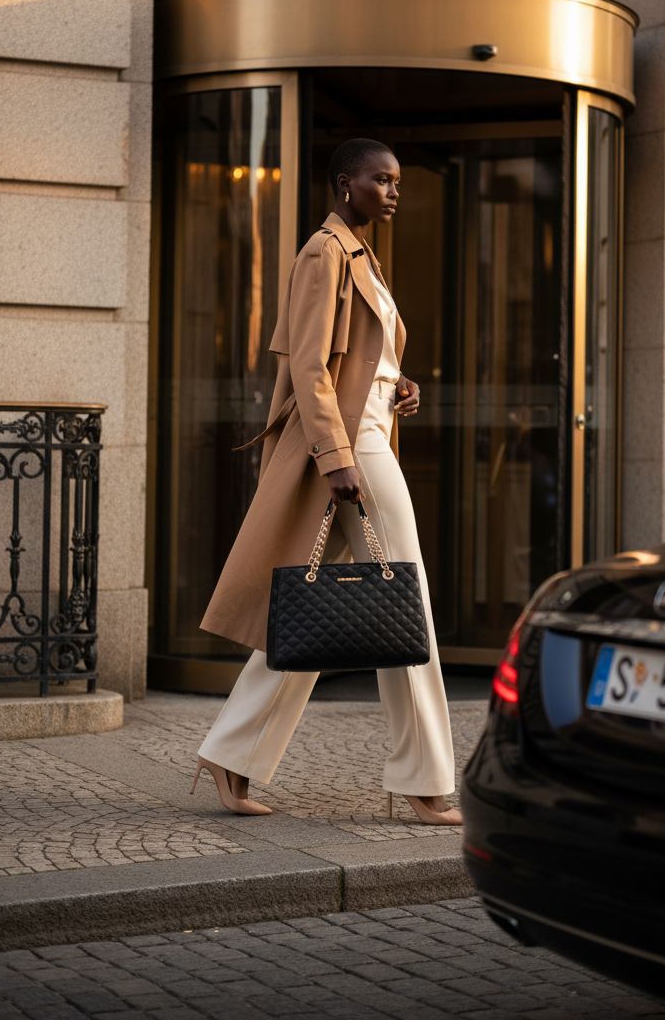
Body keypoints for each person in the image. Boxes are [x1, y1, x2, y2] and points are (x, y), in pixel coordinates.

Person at [192, 138, 460, 825]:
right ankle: (424, 777)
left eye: (398, 181)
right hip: (350, 447)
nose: (394, 191)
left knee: (316, 619)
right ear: (346, 184)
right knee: (407, 600)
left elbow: (356, 361)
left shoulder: (364, 258)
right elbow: (309, 367)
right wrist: (338, 456)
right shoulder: (324, 252)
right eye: (381, 179)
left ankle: (230, 752)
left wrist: (398, 384)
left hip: (365, 431)